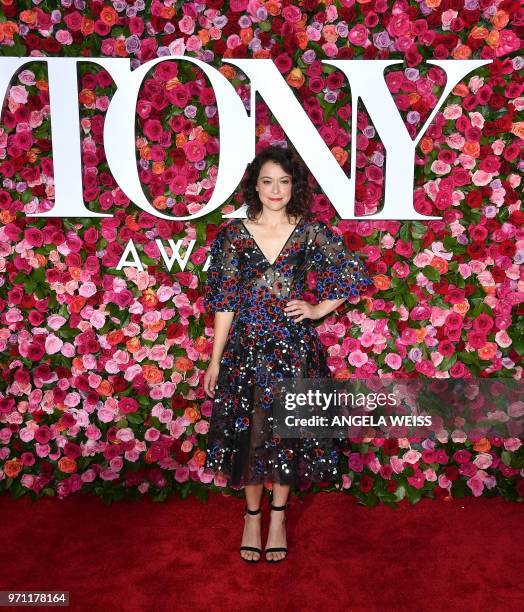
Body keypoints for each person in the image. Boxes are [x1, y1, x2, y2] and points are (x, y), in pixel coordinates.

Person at [203, 145, 372, 563]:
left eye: (283, 181)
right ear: (254, 186)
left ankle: (278, 517)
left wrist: (317, 308)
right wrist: (215, 358)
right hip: (246, 350)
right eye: (267, 181)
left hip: (294, 350)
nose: (275, 189)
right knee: (253, 434)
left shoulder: (309, 232)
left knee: (287, 436)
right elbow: (224, 301)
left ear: (293, 186)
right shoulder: (234, 236)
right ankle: (252, 516)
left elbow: (352, 274)